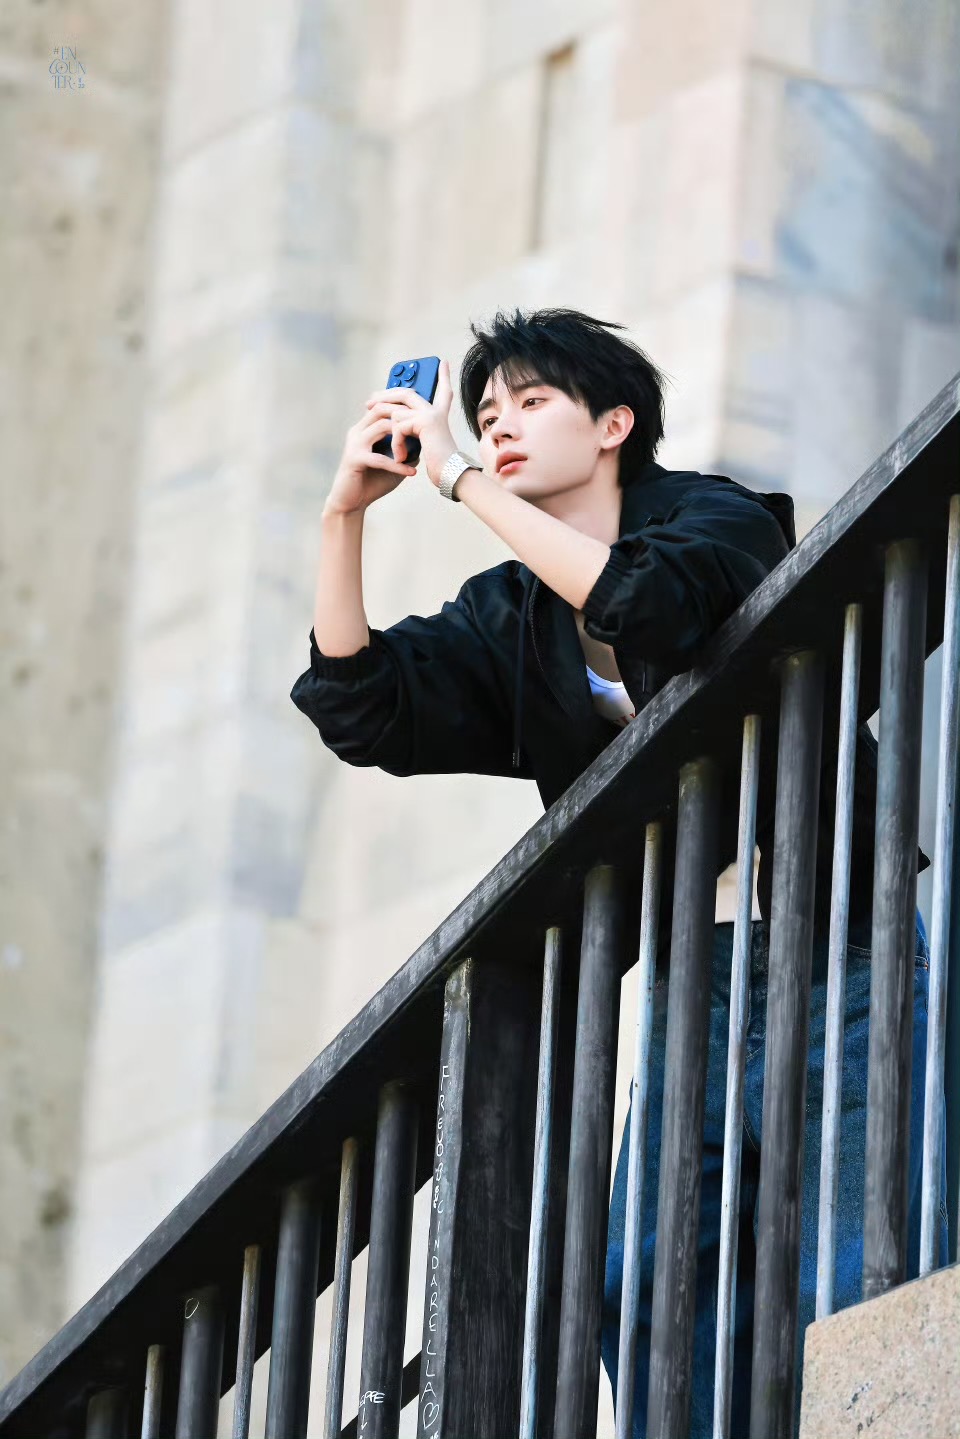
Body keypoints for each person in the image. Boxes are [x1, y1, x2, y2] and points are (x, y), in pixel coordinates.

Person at [289, 307, 947, 1437]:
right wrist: (342, 515)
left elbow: (655, 604)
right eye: (483, 412)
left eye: (531, 401)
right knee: (642, 1285)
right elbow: (365, 705)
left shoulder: (718, 516)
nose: (497, 426)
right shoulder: (511, 614)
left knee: (853, 1253)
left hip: (836, 940)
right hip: (695, 973)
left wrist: (460, 482)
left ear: (613, 424)